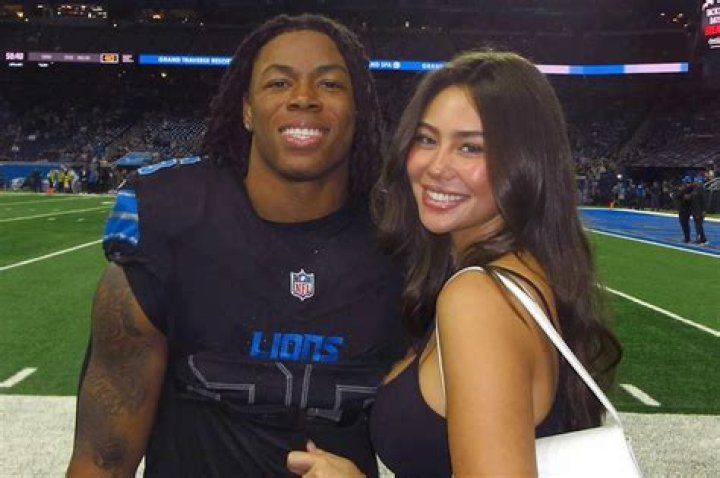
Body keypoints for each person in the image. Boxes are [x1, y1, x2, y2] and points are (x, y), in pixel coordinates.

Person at [67, 14, 404, 477]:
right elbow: (102, 460)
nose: (303, 97)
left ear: (359, 109)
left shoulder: (401, 242)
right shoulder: (174, 222)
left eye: (329, 84)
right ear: (246, 109)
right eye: (279, 83)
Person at [287, 50, 622, 477]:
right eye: (427, 139)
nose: (436, 166)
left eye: (470, 147)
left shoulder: (479, 297)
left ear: (525, 163)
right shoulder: (526, 273)